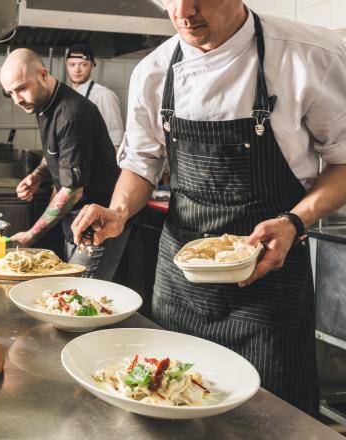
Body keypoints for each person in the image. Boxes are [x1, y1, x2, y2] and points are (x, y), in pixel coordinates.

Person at [71, 0, 346, 416]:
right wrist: (119, 211)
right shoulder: (153, 70)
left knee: (269, 420)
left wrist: (295, 220)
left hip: (268, 283)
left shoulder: (308, 55)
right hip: (179, 285)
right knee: (167, 408)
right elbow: (142, 162)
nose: (184, 10)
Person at [0, 48, 130, 280]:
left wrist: (31, 234)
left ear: (43, 74)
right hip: (74, 222)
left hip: (97, 226)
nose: (17, 99)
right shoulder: (43, 105)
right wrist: (39, 175)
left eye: (21, 88)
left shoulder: (72, 114)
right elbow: (54, 152)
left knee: (81, 299)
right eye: (10, 93)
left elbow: (72, 190)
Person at [65, 43, 125, 149]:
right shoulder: (65, 95)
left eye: (83, 64)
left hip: (95, 163)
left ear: (92, 65)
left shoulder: (104, 95)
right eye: (72, 64)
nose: (77, 70)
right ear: (67, 65)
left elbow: (116, 139)